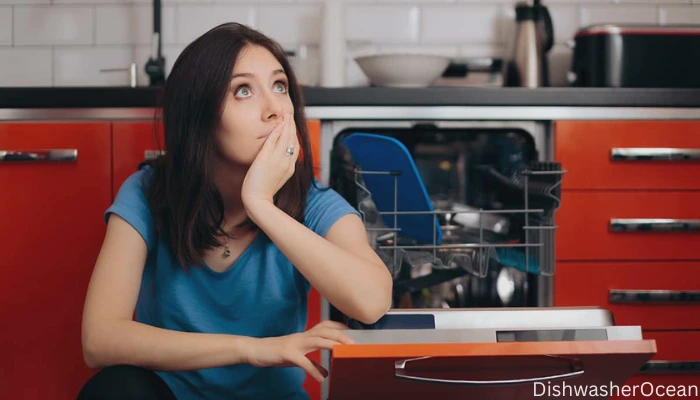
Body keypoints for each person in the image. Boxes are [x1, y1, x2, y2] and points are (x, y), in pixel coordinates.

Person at [77, 22, 393, 400]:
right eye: (243, 91)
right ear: (201, 117)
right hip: (170, 396)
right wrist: (251, 349)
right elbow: (99, 339)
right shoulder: (148, 193)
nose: (276, 109)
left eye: (280, 86)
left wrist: (261, 205)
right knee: (115, 390)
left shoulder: (315, 202)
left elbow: (372, 302)